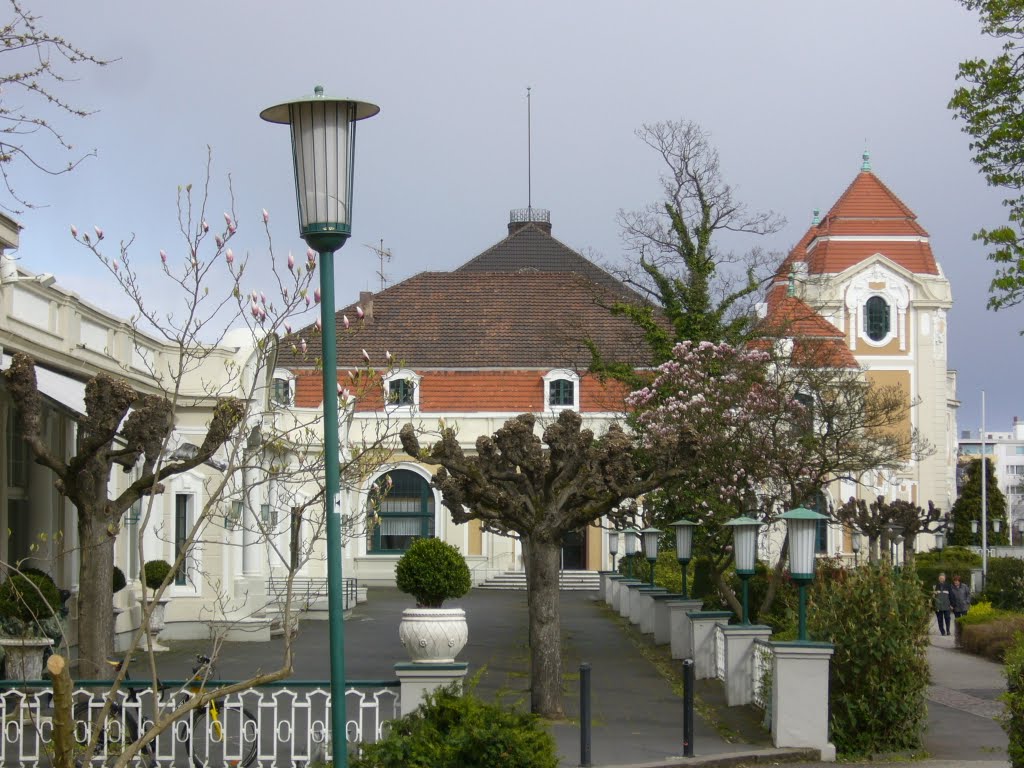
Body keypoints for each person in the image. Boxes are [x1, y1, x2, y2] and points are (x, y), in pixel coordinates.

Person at [933, 572, 953, 636]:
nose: (941, 579)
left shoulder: (948, 586)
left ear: (945, 578)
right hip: (938, 606)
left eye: (942, 578)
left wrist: (952, 604)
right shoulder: (935, 586)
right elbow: (933, 597)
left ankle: (948, 631)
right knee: (940, 620)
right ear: (939, 578)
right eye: (940, 578)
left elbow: (951, 596)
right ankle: (942, 632)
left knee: (947, 618)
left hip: (946, 606)